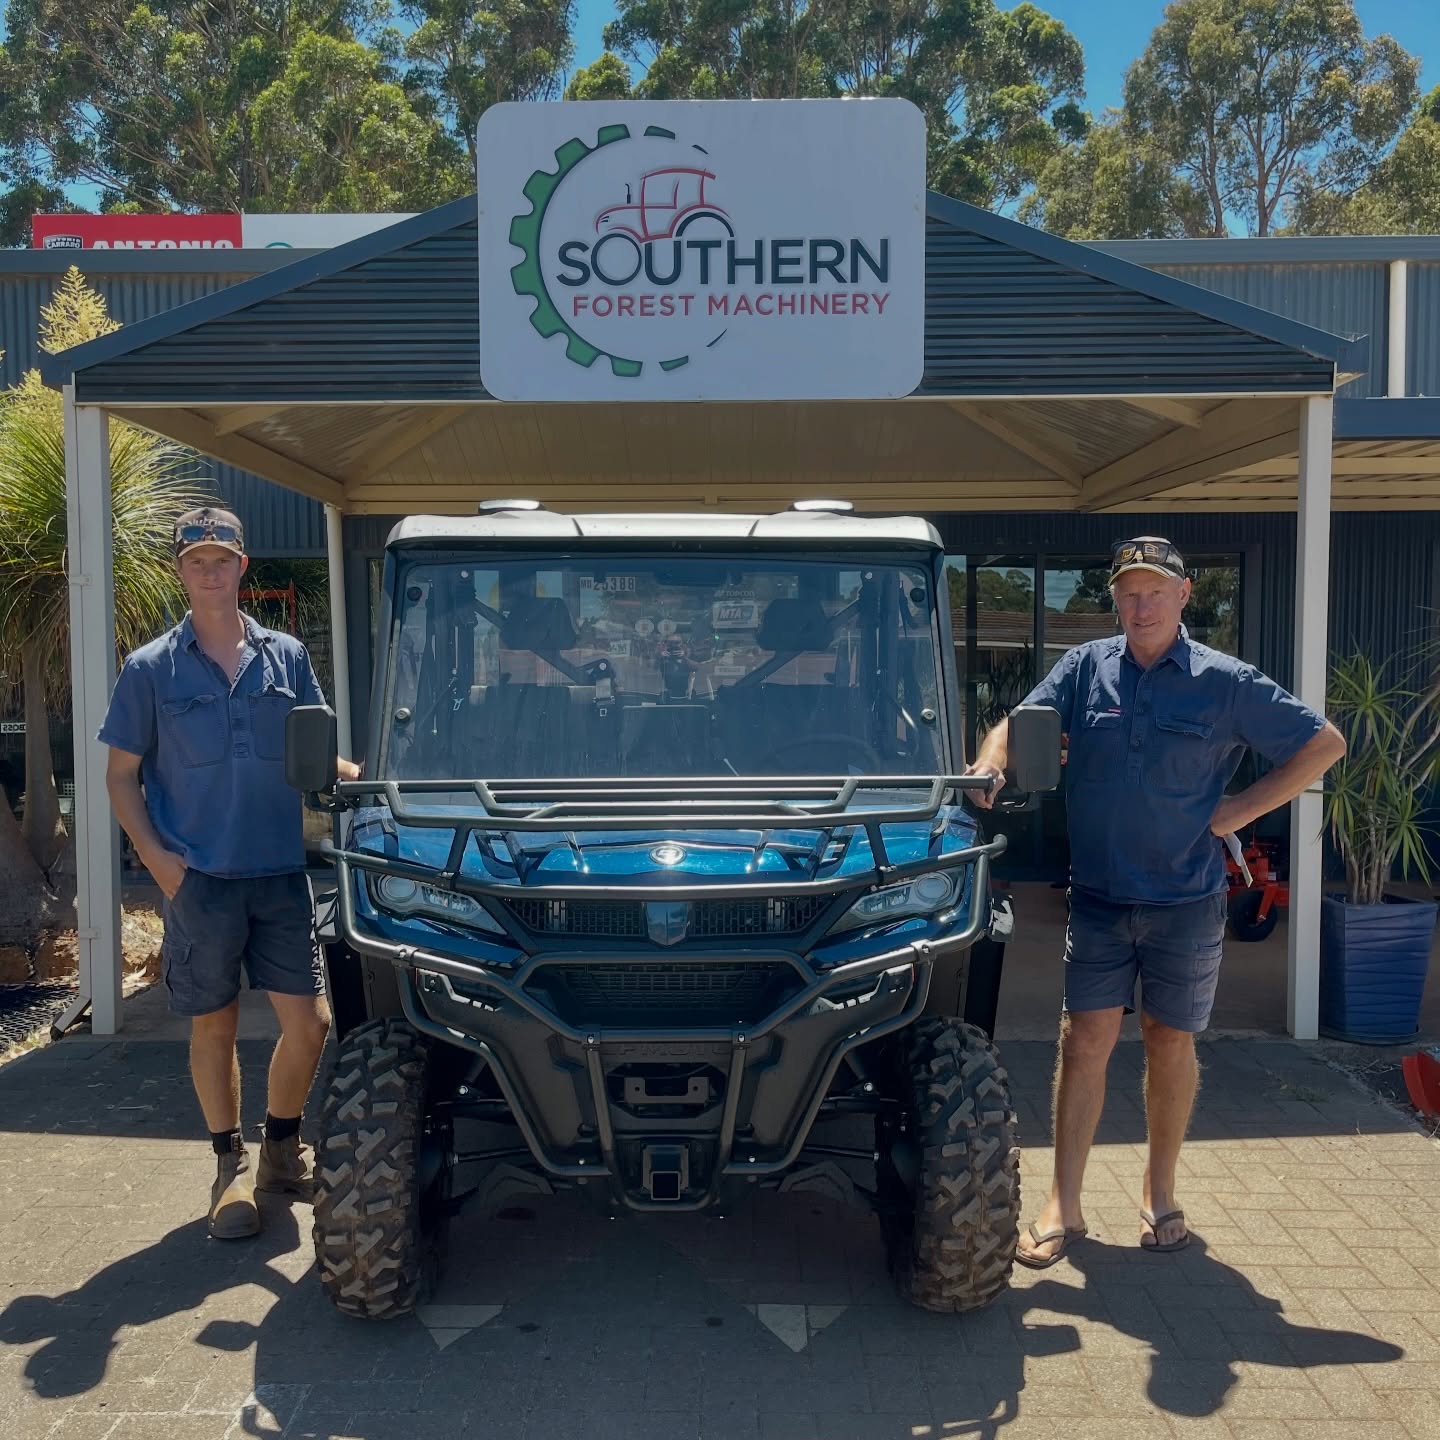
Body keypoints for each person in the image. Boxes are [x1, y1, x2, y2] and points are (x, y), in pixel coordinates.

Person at [967, 536, 1346, 1267]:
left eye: (1154, 592)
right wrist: (990, 760)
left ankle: (1159, 1190)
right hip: (1101, 897)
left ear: (1183, 596)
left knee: (1171, 1042)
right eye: (1128, 593)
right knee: (1084, 1042)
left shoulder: (1224, 680)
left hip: (1186, 901)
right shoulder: (1086, 669)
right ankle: (1064, 1205)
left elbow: (1323, 742)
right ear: (1115, 598)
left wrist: (1239, 811)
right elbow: (1019, 723)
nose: (1140, 606)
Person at [100, 506, 360, 1240]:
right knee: (212, 1027)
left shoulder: (286, 656)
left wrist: (366, 776)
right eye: (196, 561)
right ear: (180, 571)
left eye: (222, 559)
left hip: (280, 872)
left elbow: (311, 754)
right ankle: (228, 1167)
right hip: (201, 879)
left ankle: (281, 1147)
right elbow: (121, 776)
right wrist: (157, 860)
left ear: (242, 567)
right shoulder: (149, 668)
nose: (210, 572)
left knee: (309, 1025)